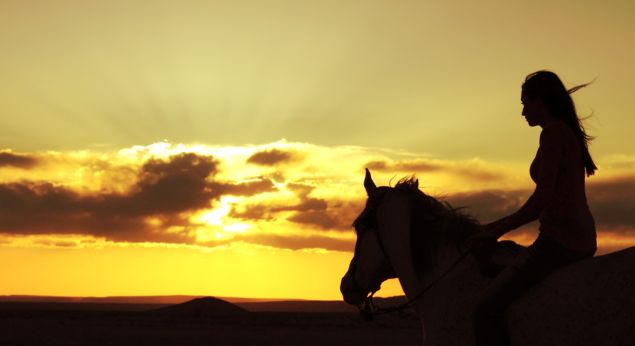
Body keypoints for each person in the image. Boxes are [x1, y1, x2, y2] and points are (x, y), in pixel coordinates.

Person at [467, 70, 598, 346]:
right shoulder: (563, 132)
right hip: (574, 236)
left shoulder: (552, 133)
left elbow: (540, 201)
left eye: (526, 103)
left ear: (542, 101)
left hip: (560, 241)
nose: (523, 111)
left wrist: (495, 231)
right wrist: (492, 228)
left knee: (485, 310)